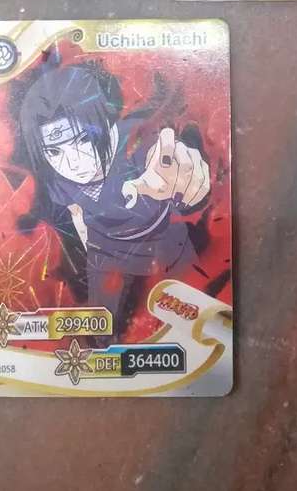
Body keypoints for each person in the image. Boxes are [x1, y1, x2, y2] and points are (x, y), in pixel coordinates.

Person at [19, 60, 210, 333]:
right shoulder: (58, 185)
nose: (73, 163)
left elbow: (167, 157)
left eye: (83, 140)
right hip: (108, 285)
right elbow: (72, 215)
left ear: (108, 127)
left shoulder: (138, 147)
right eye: (54, 151)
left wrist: (184, 174)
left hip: (172, 270)